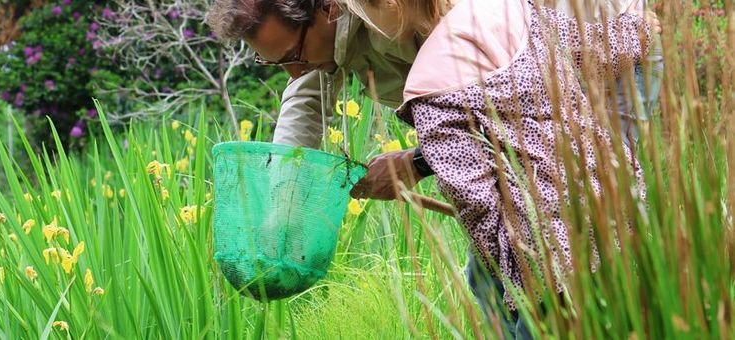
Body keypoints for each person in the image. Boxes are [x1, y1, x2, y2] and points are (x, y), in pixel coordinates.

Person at [208, 0, 659, 338]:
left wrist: (417, 162)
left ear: (327, 11)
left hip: (600, 53)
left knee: (575, 238)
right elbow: (303, 109)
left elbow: (508, 107)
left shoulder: (409, 11)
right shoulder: (315, 42)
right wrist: (279, 216)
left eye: (291, 55)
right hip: (515, 95)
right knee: (495, 273)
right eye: (273, 61)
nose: (290, 71)